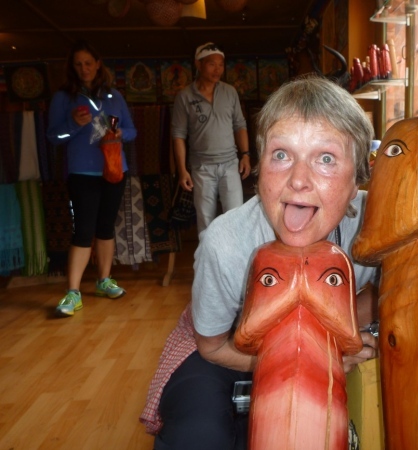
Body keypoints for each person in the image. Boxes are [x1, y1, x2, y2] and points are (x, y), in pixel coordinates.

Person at [140, 76, 380, 450]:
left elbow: (390, 290)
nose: (298, 180)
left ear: (357, 182)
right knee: (199, 435)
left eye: (326, 159)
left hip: (321, 344)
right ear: (259, 170)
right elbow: (212, 346)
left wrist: (334, 341)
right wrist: (311, 361)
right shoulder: (226, 242)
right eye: (281, 155)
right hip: (227, 350)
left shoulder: (377, 223)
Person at [47, 40, 137, 317]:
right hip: (82, 174)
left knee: (106, 227)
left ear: (98, 64)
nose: (84, 68)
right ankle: (73, 292)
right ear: (72, 67)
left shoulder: (114, 96)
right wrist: (73, 124)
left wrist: (120, 133)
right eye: (78, 64)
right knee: (84, 231)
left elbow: (132, 131)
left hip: (114, 171)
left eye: (88, 63)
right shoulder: (64, 98)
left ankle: (104, 281)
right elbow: (54, 137)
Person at [171, 42, 252, 235]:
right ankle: (208, 256)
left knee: (235, 219)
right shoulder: (184, 97)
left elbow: (239, 125)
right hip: (202, 168)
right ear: (198, 64)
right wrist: (182, 170)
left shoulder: (230, 92)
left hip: (230, 165)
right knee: (205, 223)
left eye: (221, 65)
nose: (218, 70)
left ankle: (234, 256)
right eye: (211, 64)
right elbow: (178, 135)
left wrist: (246, 155)